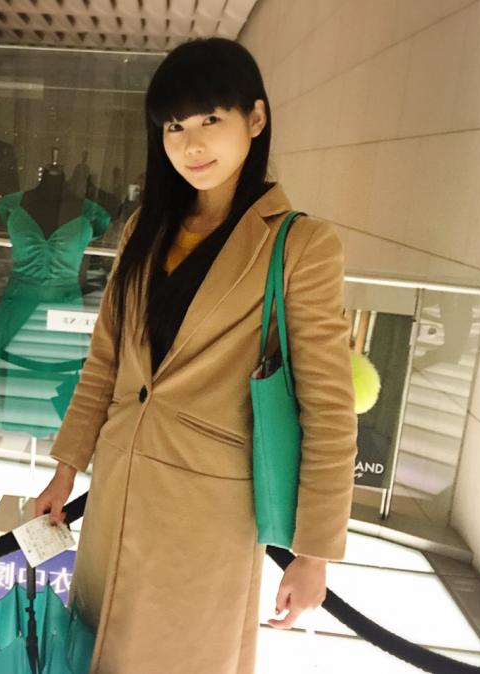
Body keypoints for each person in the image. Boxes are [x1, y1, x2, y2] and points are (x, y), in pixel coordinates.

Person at [34, 38, 357, 674]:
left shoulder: (301, 245)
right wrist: (67, 468)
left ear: (255, 119)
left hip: (207, 515)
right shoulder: (145, 228)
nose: (191, 144)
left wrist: (313, 553)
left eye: (210, 119)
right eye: (174, 127)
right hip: (115, 494)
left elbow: (328, 407)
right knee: (90, 654)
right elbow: (105, 362)